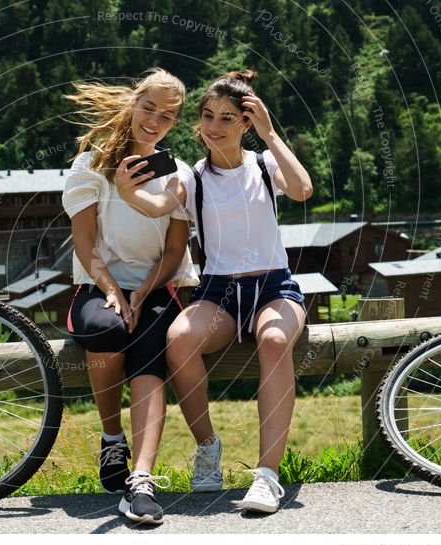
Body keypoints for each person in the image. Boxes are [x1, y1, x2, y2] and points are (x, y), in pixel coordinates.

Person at [115, 69, 313, 514]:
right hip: (219, 291)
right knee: (179, 339)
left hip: (273, 286)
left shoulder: (264, 164)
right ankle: (207, 447)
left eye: (228, 118)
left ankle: (267, 477)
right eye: (207, 116)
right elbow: (156, 205)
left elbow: (302, 189)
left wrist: (271, 134)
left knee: (276, 339)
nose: (214, 126)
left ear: (246, 124)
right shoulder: (193, 177)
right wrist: (128, 193)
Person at [62, 68, 198, 524]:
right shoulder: (91, 165)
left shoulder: (176, 174)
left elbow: (176, 249)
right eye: (149, 108)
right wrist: (113, 291)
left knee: (148, 343)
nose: (155, 121)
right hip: (98, 284)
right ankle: (111, 439)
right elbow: (84, 242)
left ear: (174, 123)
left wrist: (141, 290)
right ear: (133, 104)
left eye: (168, 115)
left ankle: (141, 479)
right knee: (108, 327)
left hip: (157, 286)